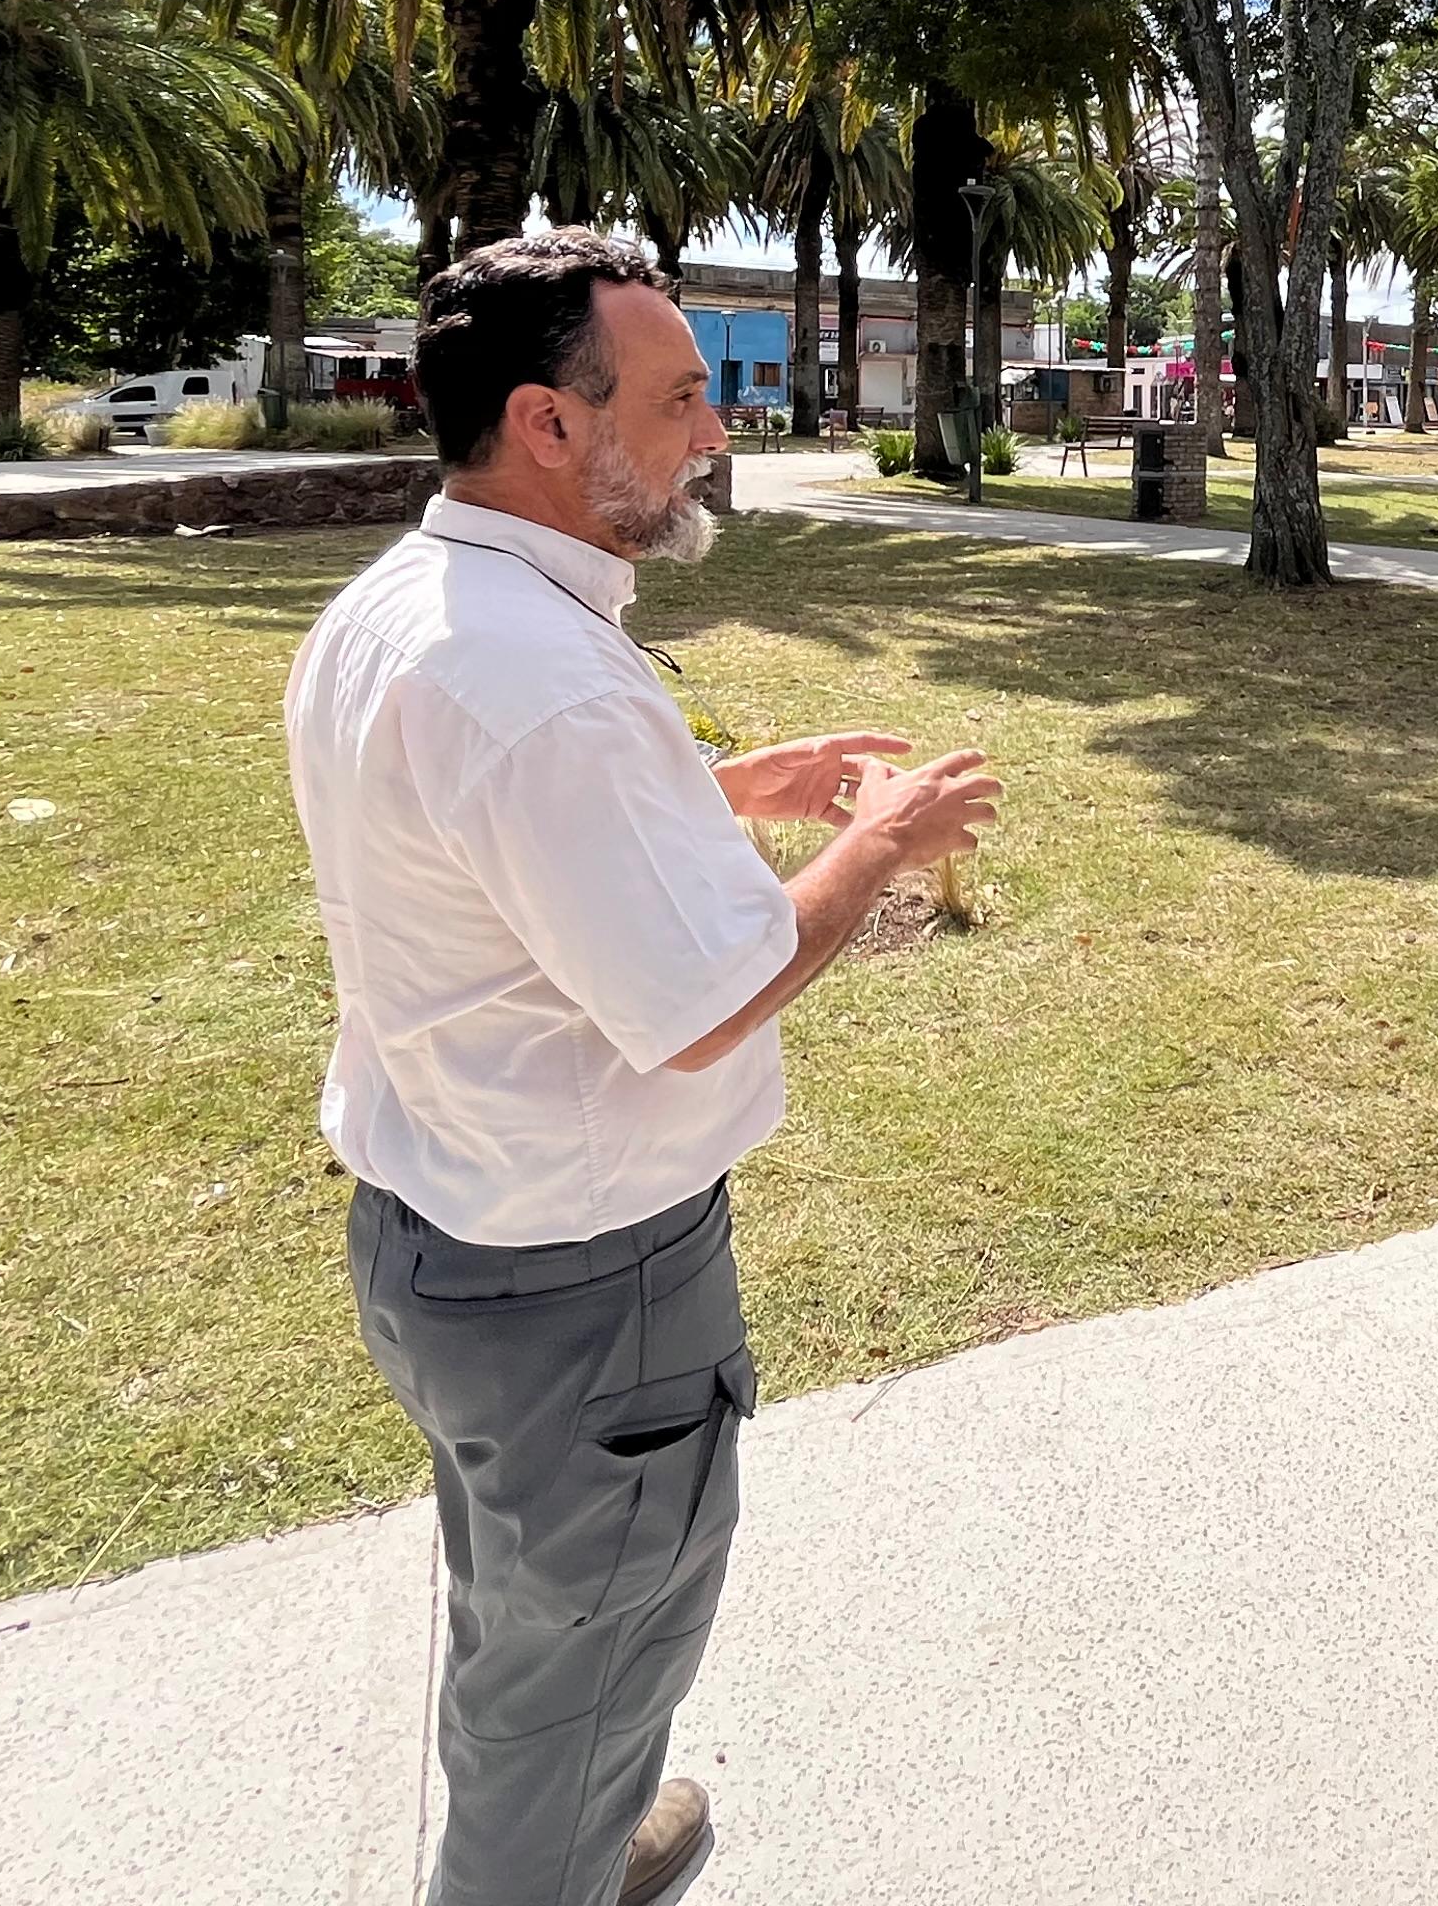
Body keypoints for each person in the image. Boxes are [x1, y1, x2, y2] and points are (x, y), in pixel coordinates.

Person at [285, 231, 1001, 1906]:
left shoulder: (413, 606)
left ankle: (573, 1823)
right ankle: (552, 1858)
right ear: (548, 422)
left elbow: (492, 837)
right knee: (586, 1662)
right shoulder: (536, 679)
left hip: (446, 1243)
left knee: (528, 1640)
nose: (719, 431)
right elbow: (698, 999)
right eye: (683, 398)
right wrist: (880, 844)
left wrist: (727, 786)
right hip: (583, 1287)